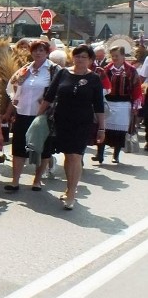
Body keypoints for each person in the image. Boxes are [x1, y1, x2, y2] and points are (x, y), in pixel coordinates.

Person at [40, 44, 106, 210]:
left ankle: (71, 193)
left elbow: (99, 106)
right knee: (68, 156)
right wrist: (38, 117)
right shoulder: (63, 73)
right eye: (77, 56)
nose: (80, 59)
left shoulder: (94, 79)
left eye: (84, 57)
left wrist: (102, 128)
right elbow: (48, 97)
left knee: (76, 155)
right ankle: (69, 187)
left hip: (82, 123)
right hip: (62, 121)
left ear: (91, 60)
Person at [4, 40, 60, 193]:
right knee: (19, 147)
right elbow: (12, 87)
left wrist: (49, 101)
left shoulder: (54, 70)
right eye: (35, 50)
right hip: (23, 113)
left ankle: (37, 180)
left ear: (47, 52)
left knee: (43, 148)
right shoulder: (25, 70)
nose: (38, 53)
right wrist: (12, 106)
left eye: (42, 50)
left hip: (43, 116)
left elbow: (61, 90)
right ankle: (15, 181)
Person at [94, 46, 141, 164]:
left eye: (117, 56)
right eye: (112, 56)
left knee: (120, 132)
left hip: (124, 104)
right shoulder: (106, 69)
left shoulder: (131, 70)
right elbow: (100, 85)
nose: (114, 58)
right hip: (108, 102)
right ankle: (100, 154)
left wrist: (136, 105)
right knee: (103, 129)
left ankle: (116, 155)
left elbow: (136, 88)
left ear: (123, 56)